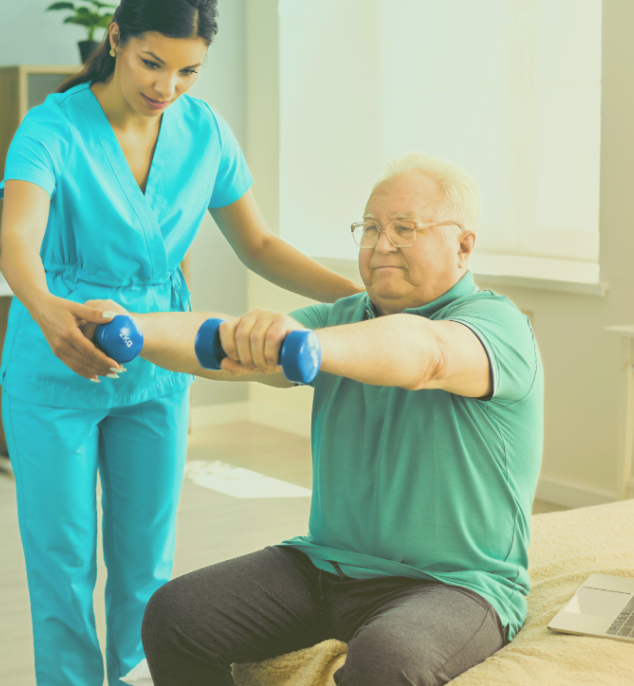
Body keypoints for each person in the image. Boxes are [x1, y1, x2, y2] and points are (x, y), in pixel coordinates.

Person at [0, 1, 362, 684]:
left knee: (146, 563)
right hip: (58, 367)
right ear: (116, 39)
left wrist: (357, 303)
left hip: (160, 369)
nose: (167, 86)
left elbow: (258, 244)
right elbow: (18, 240)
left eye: (188, 70)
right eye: (151, 62)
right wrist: (49, 314)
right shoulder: (52, 125)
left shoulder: (204, 132)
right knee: (62, 565)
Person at [91, 152, 544, 686]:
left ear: (463, 246)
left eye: (405, 228)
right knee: (176, 615)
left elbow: (426, 354)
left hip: (454, 585)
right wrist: (133, 329)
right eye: (370, 228)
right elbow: (222, 345)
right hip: (325, 566)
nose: (381, 244)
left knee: (389, 656)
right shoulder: (342, 317)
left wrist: (305, 345)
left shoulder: (495, 323)